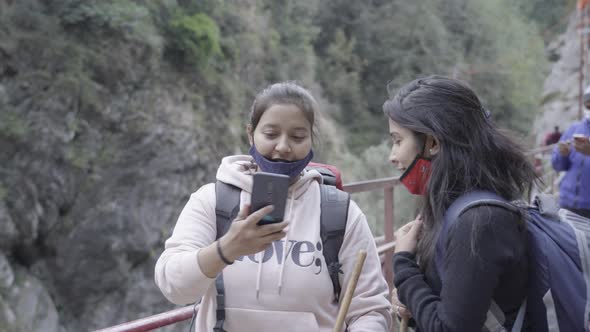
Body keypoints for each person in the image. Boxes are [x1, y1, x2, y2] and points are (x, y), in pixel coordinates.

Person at [154, 82, 392, 331]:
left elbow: (370, 309)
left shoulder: (339, 212)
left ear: (311, 139)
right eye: (270, 134)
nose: (283, 146)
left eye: (298, 137)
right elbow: (174, 286)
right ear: (250, 134)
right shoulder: (212, 201)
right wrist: (227, 249)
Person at [385, 76, 537, 331]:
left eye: (398, 140)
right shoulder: (451, 208)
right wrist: (409, 297)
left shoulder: (479, 221)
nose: (393, 156)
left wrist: (403, 264)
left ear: (433, 143)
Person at [551, 86, 590, 218]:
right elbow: (557, 166)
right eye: (588, 106)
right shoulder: (574, 128)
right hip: (567, 203)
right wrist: (562, 154)